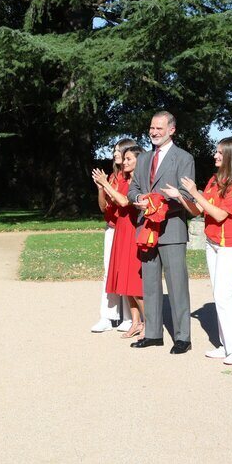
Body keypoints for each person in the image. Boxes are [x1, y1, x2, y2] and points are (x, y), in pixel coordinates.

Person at [163, 137, 232, 365]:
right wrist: (181, 197)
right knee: (219, 295)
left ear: (231, 156)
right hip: (213, 243)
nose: (215, 155)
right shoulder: (215, 179)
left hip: (230, 245)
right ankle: (227, 346)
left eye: (220, 153)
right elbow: (198, 210)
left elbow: (220, 215)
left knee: (225, 296)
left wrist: (196, 193)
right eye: (217, 152)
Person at [127, 111, 195, 354]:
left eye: (159, 128)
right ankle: (153, 334)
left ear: (172, 130)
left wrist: (156, 202)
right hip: (146, 229)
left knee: (177, 285)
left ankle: (182, 337)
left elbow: (186, 196)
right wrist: (139, 198)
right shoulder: (144, 158)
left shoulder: (184, 158)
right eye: (152, 128)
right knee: (151, 284)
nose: (154, 132)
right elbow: (132, 188)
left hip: (172, 230)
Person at [93, 144, 146, 339]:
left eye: (128, 159)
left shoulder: (140, 181)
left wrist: (105, 184)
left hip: (133, 231)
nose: (124, 162)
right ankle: (135, 322)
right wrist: (103, 187)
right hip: (121, 230)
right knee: (123, 278)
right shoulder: (123, 179)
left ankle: (148, 323)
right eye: (123, 159)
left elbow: (125, 201)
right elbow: (110, 204)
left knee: (134, 281)